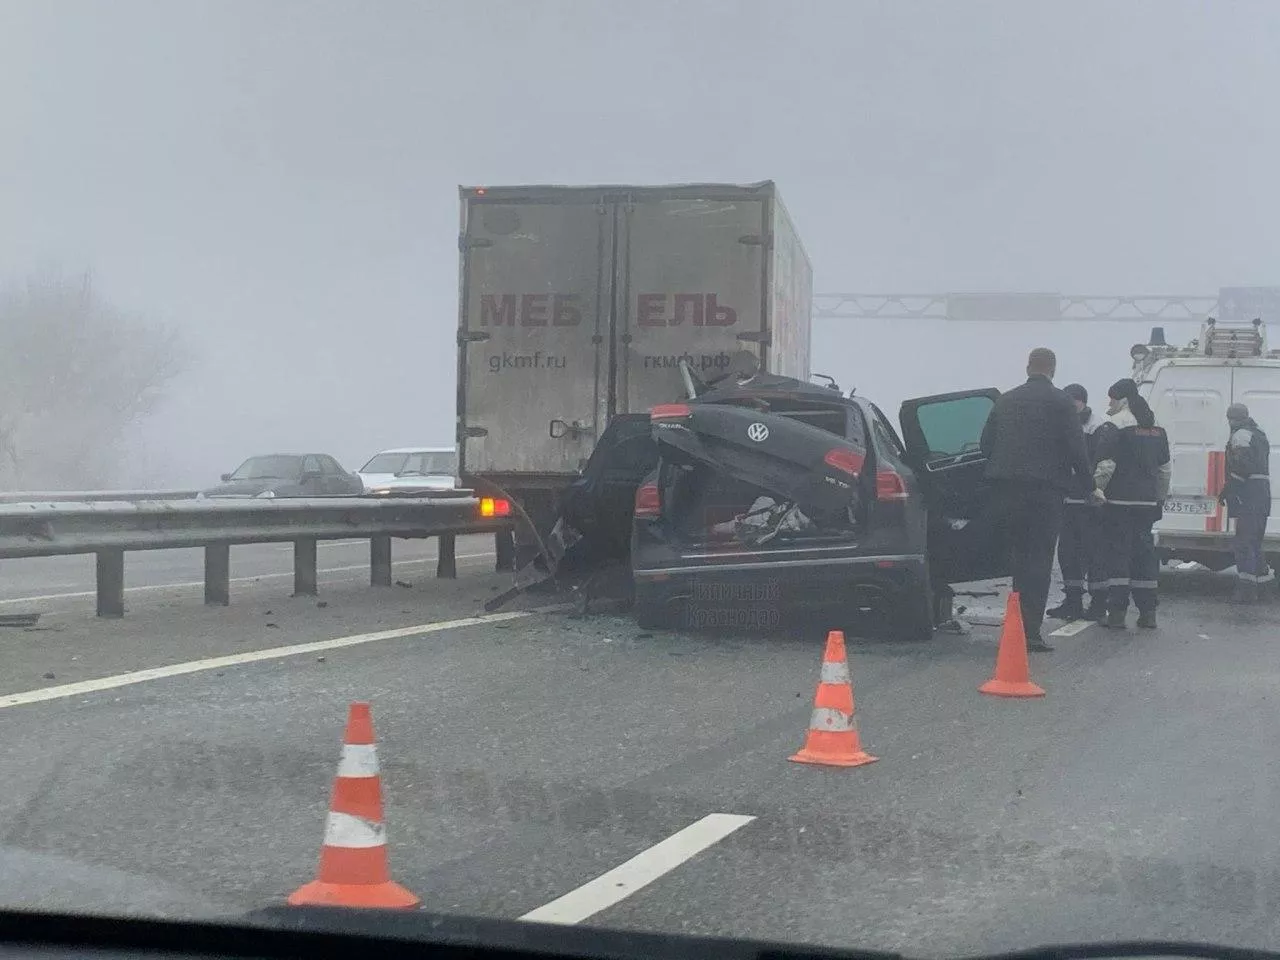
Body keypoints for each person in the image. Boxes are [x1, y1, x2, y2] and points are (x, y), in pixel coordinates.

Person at [980, 347, 1094, 651]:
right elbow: (1077, 449)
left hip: (1007, 492)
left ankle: (1014, 625)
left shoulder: (1006, 400)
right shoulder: (1062, 402)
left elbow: (985, 444)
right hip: (1046, 494)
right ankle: (1028, 632)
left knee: (1018, 558)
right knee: (1039, 560)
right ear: (1053, 370)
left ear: (1028, 367)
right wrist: (1089, 487)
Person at [1091, 378, 1170, 629]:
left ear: (1122, 399)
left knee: (1118, 555)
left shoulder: (1115, 425)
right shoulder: (1157, 427)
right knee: (1144, 554)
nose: (1109, 404)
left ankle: (1116, 613)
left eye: (1112, 398)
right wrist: (1159, 498)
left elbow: (1106, 464)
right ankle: (1148, 613)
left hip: (1118, 502)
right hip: (1146, 503)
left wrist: (1096, 490)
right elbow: (1164, 469)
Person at [1046, 383, 1106, 621]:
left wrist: (1093, 489)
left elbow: (1099, 462)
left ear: (1082, 401)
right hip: (1066, 499)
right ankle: (1072, 602)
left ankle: (1098, 603)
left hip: (1089, 501)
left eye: (1073, 401)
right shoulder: (1062, 423)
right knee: (1068, 553)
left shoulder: (1097, 427)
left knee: (1094, 553)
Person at [1219, 403, 1272, 602]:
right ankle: (1264, 588)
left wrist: (1229, 489)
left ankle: (1246, 591)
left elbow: (1242, 467)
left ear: (1232, 419)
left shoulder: (1241, 435)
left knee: (1244, 542)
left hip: (1249, 494)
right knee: (1255, 542)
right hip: (1262, 493)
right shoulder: (1259, 433)